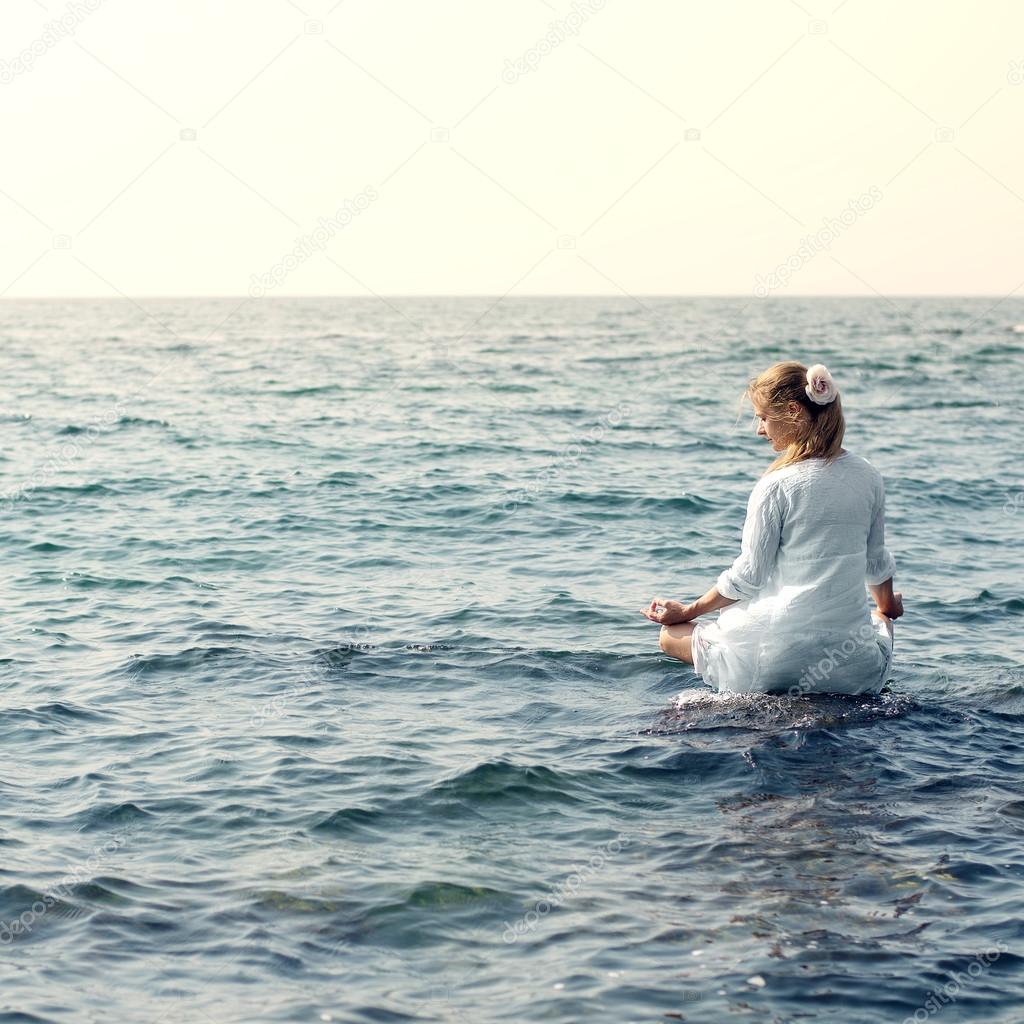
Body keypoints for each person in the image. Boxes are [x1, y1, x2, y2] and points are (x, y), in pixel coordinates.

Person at [641, 361, 903, 696]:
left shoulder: (775, 485)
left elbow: (749, 576)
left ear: (793, 411)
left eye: (763, 417)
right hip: (851, 670)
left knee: (670, 634)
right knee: (879, 620)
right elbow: (876, 562)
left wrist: (687, 610)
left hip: (775, 664)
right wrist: (888, 608)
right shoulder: (868, 475)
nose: (759, 430)